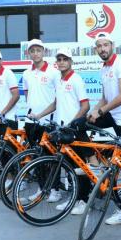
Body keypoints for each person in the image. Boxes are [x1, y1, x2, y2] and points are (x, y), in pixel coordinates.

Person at [86, 32, 121, 226]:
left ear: (112, 46)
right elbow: (105, 98)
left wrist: (101, 111)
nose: (103, 49)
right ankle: (98, 166)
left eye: (105, 45)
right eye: (99, 46)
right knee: (81, 126)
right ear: (96, 49)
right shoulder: (103, 69)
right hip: (112, 113)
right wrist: (94, 111)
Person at [29, 48, 90, 215]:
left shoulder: (76, 80)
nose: (62, 62)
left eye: (65, 59)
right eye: (60, 59)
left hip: (74, 130)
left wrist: (73, 123)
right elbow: (56, 103)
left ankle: (83, 200)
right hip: (62, 130)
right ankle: (75, 198)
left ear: (71, 61)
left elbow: (86, 106)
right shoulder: (59, 80)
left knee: (80, 167)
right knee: (69, 166)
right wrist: (39, 115)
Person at [22, 39, 58, 142]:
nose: (35, 53)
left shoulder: (54, 72)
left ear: (43, 52)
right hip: (31, 119)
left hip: (48, 120)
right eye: (32, 51)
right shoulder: (26, 73)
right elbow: (26, 92)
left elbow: (59, 97)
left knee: (48, 155)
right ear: (28, 53)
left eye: (38, 50)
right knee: (31, 153)